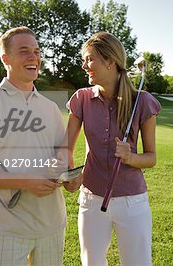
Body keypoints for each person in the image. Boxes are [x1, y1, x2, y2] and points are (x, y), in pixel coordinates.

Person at [0, 26, 79, 266]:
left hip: (53, 225)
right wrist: (26, 181)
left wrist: (70, 177)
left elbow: (62, 154)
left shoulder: (50, 107)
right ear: (5, 59)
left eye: (36, 51)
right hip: (8, 229)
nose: (33, 57)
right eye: (24, 51)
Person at [66, 32, 161, 266]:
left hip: (132, 202)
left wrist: (130, 157)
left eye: (89, 59)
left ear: (110, 62)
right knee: (92, 263)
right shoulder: (81, 99)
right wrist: (70, 174)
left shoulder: (143, 101)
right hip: (91, 200)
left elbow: (151, 158)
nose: (84, 65)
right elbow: (64, 149)